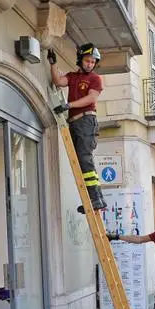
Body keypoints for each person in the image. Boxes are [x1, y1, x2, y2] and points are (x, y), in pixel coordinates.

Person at [49, 43, 106, 213]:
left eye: (93, 61)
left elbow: (91, 99)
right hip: (74, 122)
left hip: (86, 120)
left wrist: (68, 105)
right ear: (80, 60)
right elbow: (58, 81)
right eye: (88, 60)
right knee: (80, 161)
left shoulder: (95, 78)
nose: (90, 64)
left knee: (84, 158)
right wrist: (52, 64)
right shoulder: (73, 76)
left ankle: (95, 198)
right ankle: (93, 199)